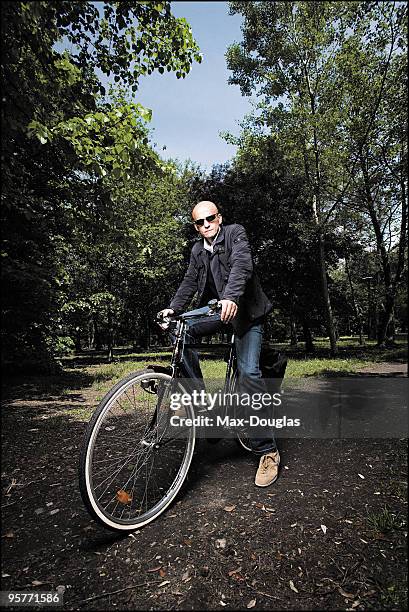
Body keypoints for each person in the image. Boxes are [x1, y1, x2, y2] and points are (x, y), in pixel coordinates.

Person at [158, 201, 280, 487]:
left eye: (209, 219)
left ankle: (268, 451)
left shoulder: (236, 233)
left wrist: (231, 297)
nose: (205, 225)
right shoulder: (198, 249)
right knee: (179, 329)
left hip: (245, 311)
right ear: (195, 226)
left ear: (219, 218)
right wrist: (173, 307)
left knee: (249, 374)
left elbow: (242, 266)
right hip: (217, 309)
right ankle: (198, 403)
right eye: (199, 223)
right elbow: (189, 280)